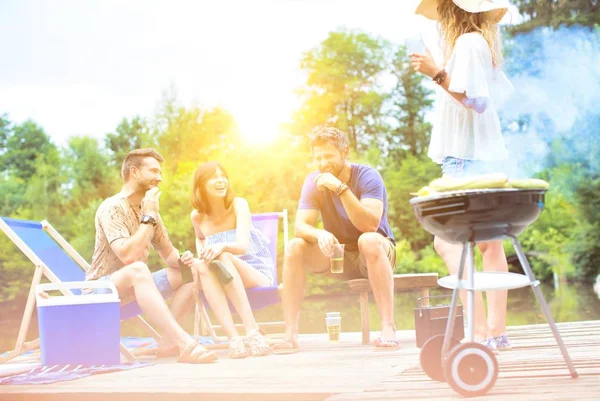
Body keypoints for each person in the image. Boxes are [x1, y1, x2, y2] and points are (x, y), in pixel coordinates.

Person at [411, 0, 514, 352]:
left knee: (446, 242)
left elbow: (478, 102)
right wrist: (438, 68)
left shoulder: (469, 43)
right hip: (480, 155)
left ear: (456, 11)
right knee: (489, 244)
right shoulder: (473, 44)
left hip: (466, 158)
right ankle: (495, 332)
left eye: (444, 8)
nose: (440, 15)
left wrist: (436, 74)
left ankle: (480, 329)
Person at [273, 127, 399, 353]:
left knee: (368, 240)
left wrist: (340, 188)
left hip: (376, 252)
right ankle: (290, 334)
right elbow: (300, 227)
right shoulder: (314, 181)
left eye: (329, 156)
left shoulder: (368, 176)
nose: (323, 163)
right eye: (318, 157)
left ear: (345, 152)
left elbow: (369, 225)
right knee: (295, 246)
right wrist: (319, 233)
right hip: (339, 256)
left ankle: (388, 328)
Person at [86, 148, 217, 363]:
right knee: (138, 269)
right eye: (154, 171)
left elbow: (168, 253)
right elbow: (128, 257)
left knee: (192, 272)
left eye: (160, 172)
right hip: (101, 291)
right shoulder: (111, 208)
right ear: (135, 172)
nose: (160, 178)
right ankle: (185, 342)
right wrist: (148, 217)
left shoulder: (150, 210)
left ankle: (168, 342)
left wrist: (183, 259)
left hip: (136, 287)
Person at [190, 161, 273, 358]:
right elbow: (201, 247)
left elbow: (242, 246)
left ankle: (253, 332)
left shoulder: (238, 204)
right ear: (201, 185)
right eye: (213, 177)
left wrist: (221, 247)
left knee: (222, 255)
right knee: (202, 266)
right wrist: (195, 258)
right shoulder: (197, 217)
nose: (220, 181)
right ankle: (234, 338)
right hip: (221, 275)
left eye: (223, 176)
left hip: (254, 271)